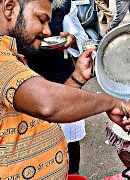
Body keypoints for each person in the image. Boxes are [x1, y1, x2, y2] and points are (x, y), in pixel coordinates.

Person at [0, 0, 130, 179]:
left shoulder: (6, 54)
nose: (47, 31)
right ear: (10, 8)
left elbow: (36, 115)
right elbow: (47, 104)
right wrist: (110, 103)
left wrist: (77, 78)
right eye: (41, 20)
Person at [27, 0, 90, 175]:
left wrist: (72, 40)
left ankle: (72, 174)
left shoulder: (65, 5)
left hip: (63, 80)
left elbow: (83, 41)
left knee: (70, 144)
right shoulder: (18, 8)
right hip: (30, 87)